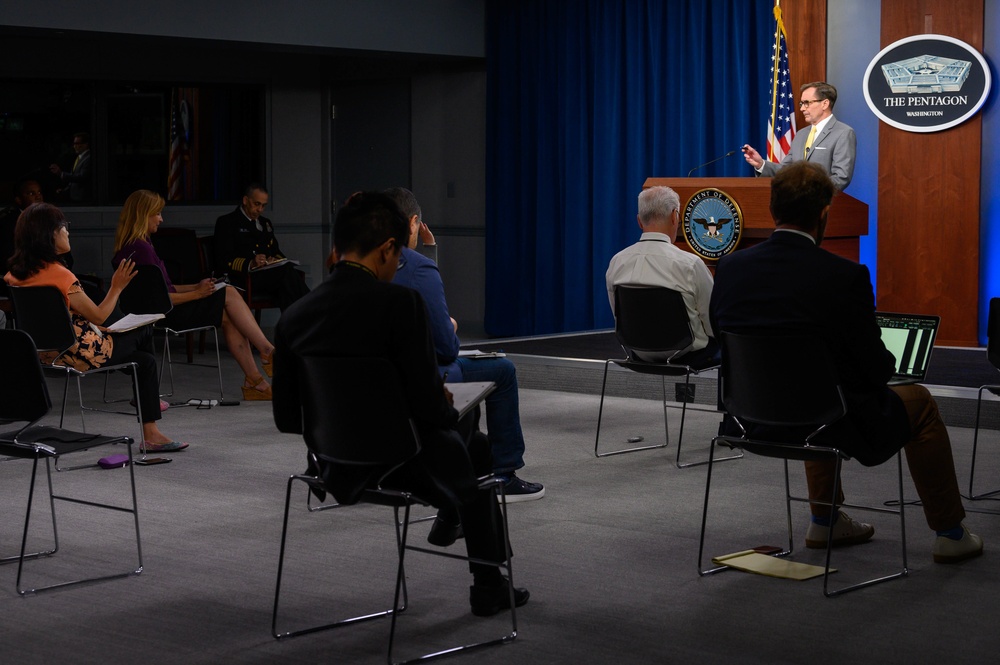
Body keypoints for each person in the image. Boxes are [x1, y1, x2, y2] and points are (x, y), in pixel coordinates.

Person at [709, 161, 982, 563]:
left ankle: (824, 522)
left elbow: (723, 340)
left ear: (772, 210)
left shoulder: (729, 267)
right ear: (824, 214)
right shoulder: (844, 276)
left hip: (748, 418)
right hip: (826, 418)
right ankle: (950, 533)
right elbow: (875, 371)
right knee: (919, 402)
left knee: (814, 389)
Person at [272, 191, 529, 616]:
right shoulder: (400, 305)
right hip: (403, 461)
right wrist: (445, 403)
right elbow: (432, 413)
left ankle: (468, 541)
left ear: (336, 248)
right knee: (476, 447)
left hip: (333, 465)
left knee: (468, 447)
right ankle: (486, 582)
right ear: (388, 249)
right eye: (396, 259)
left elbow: (287, 418)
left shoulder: (294, 317)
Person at [385, 187, 544, 502]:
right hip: (426, 379)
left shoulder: (364, 266)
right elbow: (445, 348)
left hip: (382, 382)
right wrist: (451, 326)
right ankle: (503, 473)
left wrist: (429, 254)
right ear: (413, 222)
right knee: (502, 370)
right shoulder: (418, 268)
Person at [4, 203, 187, 452]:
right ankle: (150, 426)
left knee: (143, 361)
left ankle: (142, 391)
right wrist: (117, 286)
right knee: (145, 332)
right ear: (48, 235)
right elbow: (100, 316)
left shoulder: (13, 275)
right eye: (63, 227)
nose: (67, 232)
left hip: (41, 355)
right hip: (82, 354)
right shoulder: (61, 275)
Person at [112, 189, 275, 401]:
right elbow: (159, 301)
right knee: (229, 292)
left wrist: (195, 286)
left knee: (229, 316)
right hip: (166, 313)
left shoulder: (134, 245)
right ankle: (267, 351)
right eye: (158, 213)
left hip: (165, 308)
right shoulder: (141, 249)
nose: (161, 219)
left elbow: (164, 288)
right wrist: (198, 294)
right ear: (144, 214)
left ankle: (255, 382)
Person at [605, 185, 718, 366]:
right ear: (675, 217)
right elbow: (713, 323)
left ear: (639, 222)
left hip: (636, 351)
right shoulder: (691, 264)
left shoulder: (617, 262)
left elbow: (619, 317)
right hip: (687, 356)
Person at [741, 81, 856, 191]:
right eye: (802, 103)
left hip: (822, 206)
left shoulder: (843, 133)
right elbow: (786, 170)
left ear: (824, 104)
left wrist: (810, 194)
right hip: (797, 206)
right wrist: (761, 164)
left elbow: (841, 177)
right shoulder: (801, 134)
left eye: (807, 103)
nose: (802, 108)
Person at [213, 183, 309, 312]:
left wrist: (274, 260)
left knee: (288, 279)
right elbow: (223, 259)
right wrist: (251, 263)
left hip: (269, 276)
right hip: (242, 277)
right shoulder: (227, 222)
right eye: (257, 204)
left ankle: (296, 325)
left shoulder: (265, 223)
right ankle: (311, 311)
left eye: (263, 206)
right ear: (245, 200)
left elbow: (276, 251)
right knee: (287, 276)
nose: (260, 210)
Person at [49, 132, 92, 202]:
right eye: (74, 144)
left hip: (82, 199)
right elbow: (74, 180)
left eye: (77, 143)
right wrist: (64, 190)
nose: (74, 146)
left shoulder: (89, 158)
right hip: (75, 198)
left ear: (86, 144)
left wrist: (61, 174)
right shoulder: (78, 158)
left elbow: (82, 177)